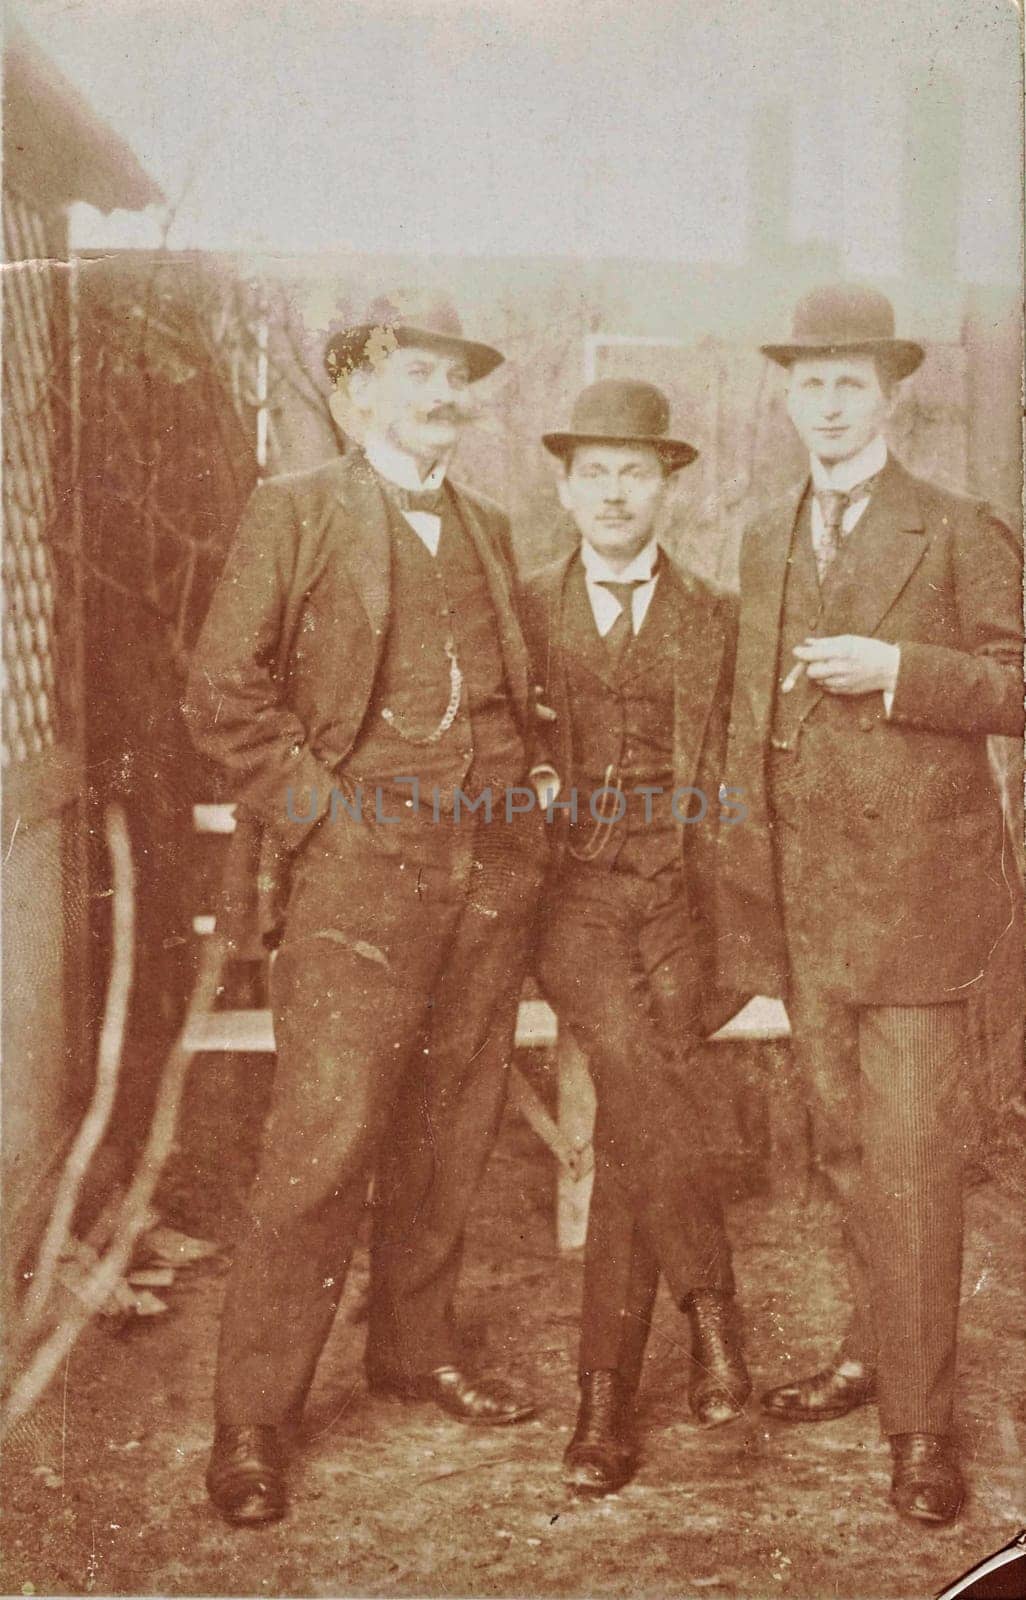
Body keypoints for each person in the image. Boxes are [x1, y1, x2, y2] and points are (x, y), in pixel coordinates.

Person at [184, 293, 548, 1526]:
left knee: (454, 1122)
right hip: (359, 873)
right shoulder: (296, 511)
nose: (443, 398)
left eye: (457, 378)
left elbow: (515, 692)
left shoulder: (490, 527)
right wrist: (325, 815)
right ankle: (252, 1420)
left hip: (491, 871)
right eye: (416, 377)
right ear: (358, 395)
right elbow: (221, 692)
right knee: (326, 1138)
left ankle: (414, 1346)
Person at [717, 283, 1024, 1526]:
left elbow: (1019, 680)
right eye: (811, 384)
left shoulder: (956, 527)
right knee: (847, 1157)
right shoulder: (763, 532)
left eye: (852, 383)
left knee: (909, 1168)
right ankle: (874, 1353)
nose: (830, 404)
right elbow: (751, 726)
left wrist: (903, 672)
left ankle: (921, 1431)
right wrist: (753, 921)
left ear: (889, 395)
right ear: (788, 398)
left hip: (919, 916)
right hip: (811, 915)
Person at [519, 379, 750, 1497]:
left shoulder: (718, 615)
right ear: (564, 487)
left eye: (636, 472)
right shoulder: (520, 611)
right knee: (630, 1058)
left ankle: (604, 1403)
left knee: (633, 1096)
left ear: (669, 489)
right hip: (569, 901)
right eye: (595, 471)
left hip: (680, 895)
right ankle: (713, 1304)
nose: (615, 491)